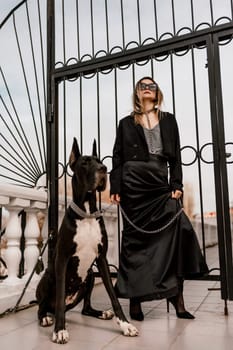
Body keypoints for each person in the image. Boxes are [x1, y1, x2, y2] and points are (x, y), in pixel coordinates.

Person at [110, 76, 209, 321]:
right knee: (136, 242)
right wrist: (116, 186)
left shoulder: (168, 120)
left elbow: (175, 155)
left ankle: (178, 301)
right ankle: (135, 302)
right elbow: (118, 157)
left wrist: (176, 183)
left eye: (151, 86)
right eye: (142, 86)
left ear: (157, 93)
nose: (147, 89)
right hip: (133, 185)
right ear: (137, 93)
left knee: (178, 230)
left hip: (159, 183)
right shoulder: (126, 123)